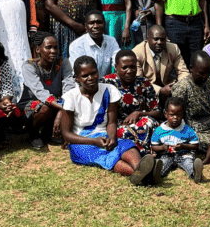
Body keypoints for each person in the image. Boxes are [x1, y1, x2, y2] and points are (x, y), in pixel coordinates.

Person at [58, 55, 156, 186]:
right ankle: (146, 176)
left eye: (93, 73)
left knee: (127, 145)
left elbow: (111, 122)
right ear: (76, 79)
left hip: (104, 136)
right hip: (81, 141)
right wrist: (93, 141)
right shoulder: (71, 97)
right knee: (107, 157)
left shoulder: (109, 90)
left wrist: (112, 138)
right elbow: (66, 134)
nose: (90, 78)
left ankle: (141, 171)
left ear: (98, 72)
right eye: (85, 76)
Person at [19, 32, 74, 150]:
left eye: (55, 47)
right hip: (32, 105)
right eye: (48, 47)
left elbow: (69, 87)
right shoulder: (29, 66)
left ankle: (49, 131)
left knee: (73, 100)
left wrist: (62, 109)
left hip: (56, 103)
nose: (53, 51)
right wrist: (63, 109)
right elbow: (40, 92)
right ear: (38, 49)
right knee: (46, 107)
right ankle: (33, 133)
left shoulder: (63, 62)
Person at [105, 49, 161, 152]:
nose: (129, 71)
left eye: (132, 67)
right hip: (114, 124)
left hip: (139, 122)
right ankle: (144, 153)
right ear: (116, 67)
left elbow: (157, 112)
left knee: (151, 123)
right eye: (124, 67)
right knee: (123, 132)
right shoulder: (107, 83)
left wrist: (139, 113)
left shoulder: (143, 83)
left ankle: (145, 152)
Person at [150, 97, 203, 183]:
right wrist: (163, 148)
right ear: (166, 114)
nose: (175, 117)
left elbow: (195, 145)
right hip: (166, 155)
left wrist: (183, 146)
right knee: (163, 163)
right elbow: (153, 146)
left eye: (178, 115)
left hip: (184, 154)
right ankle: (156, 175)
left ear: (183, 115)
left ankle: (195, 173)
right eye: (172, 115)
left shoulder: (187, 129)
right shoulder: (159, 130)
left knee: (189, 162)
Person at [133, 25, 188, 99]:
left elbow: (183, 72)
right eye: (156, 39)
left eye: (162, 39)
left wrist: (179, 86)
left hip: (168, 87)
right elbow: (138, 81)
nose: (159, 42)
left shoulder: (173, 48)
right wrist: (160, 90)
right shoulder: (137, 53)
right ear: (147, 39)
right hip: (147, 90)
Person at [69, 10, 120, 77]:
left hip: (105, 82)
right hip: (86, 81)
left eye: (99, 22)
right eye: (91, 23)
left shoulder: (111, 41)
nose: (95, 26)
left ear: (104, 24)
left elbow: (118, 62)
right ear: (86, 26)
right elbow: (78, 71)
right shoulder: (77, 45)